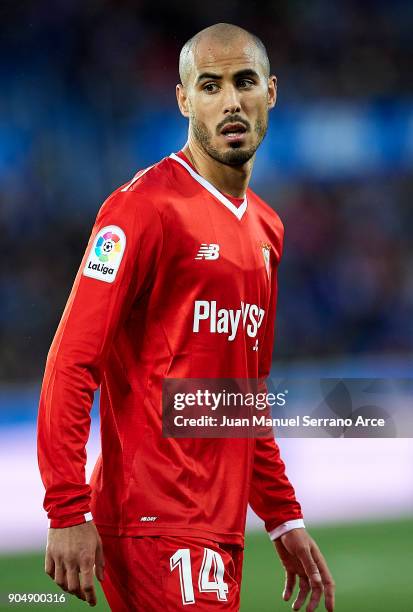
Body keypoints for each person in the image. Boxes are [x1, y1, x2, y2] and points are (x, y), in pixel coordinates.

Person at [37, 22, 335, 612]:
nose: (231, 101)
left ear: (270, 92)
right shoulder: (141, 210)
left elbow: (241, 394)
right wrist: (66, 508)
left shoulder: (267, 228)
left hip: (216, 529)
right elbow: (71, 361)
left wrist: (280, 515)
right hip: (153, 523)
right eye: (210, 85)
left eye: (245, 82)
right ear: (182, 99)